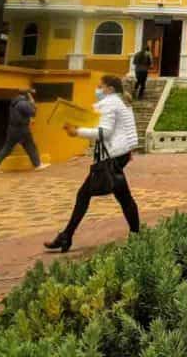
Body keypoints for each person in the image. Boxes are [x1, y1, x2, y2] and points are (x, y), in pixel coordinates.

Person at [44, 75, 140, 252]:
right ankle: (136, 235)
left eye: (100, 87)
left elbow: (105, 132)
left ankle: (66, 236)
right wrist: (128, 149)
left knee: (84, 195)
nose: (98, 90)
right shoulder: (122, 102)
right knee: (123, 196)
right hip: (119, 154)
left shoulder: (111, 103)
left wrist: (77, 132)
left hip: (112, 155)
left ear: (110, 89)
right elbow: (126, 127)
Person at [0, 88, 47, 173]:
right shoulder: (23, 103)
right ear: (27, 95)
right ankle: (37, 165)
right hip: (22, 129)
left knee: (7, 148)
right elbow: (33, 112)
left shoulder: (14, 102)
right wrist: (32, 102)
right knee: (30, 146)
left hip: (12, 129)